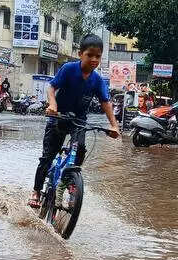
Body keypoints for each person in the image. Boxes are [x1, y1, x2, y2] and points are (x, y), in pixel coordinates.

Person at [28, 34, 120, 208]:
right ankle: (36, 191)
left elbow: (105, 102)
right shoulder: (69, 69)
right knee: (47, 157)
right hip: (58, 117)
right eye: (90, 55)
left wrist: (114, 126)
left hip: (78, 121)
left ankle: (70, 185)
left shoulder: (97, 80)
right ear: (80, 54)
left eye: (98, 56)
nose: (94, 60)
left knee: (80, 150)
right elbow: (52, 87)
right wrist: (53, 104)